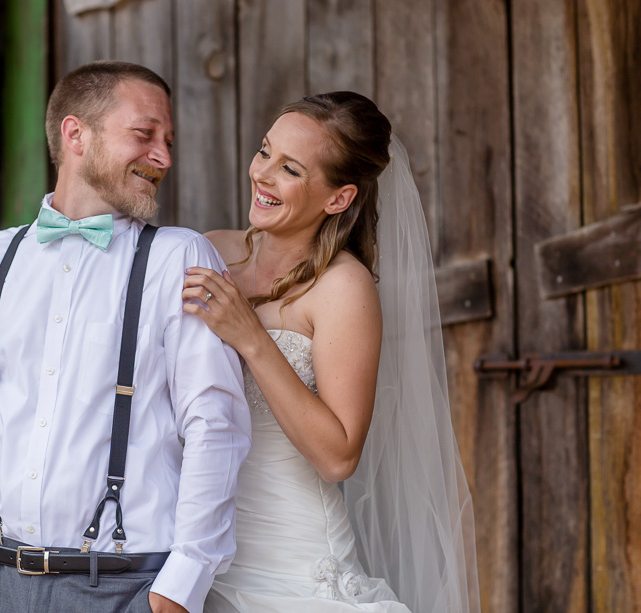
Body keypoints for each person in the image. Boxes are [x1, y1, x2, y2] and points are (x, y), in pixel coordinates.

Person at [0, 61, 251, 613]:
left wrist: (180, 586)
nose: (163, 157)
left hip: (125, 588)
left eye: (168, 142)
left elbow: (215, 424)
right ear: (76, 135)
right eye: (144, 134)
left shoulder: (178, 257)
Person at [186, 92, 479, 612]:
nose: (262, 174)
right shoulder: (210, 250)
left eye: (290, 169)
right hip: (197, 546)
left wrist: (251, 336)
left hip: (290, 563)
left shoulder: (343, 288)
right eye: (265, 151)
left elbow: (338, 456)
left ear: (338, 198)